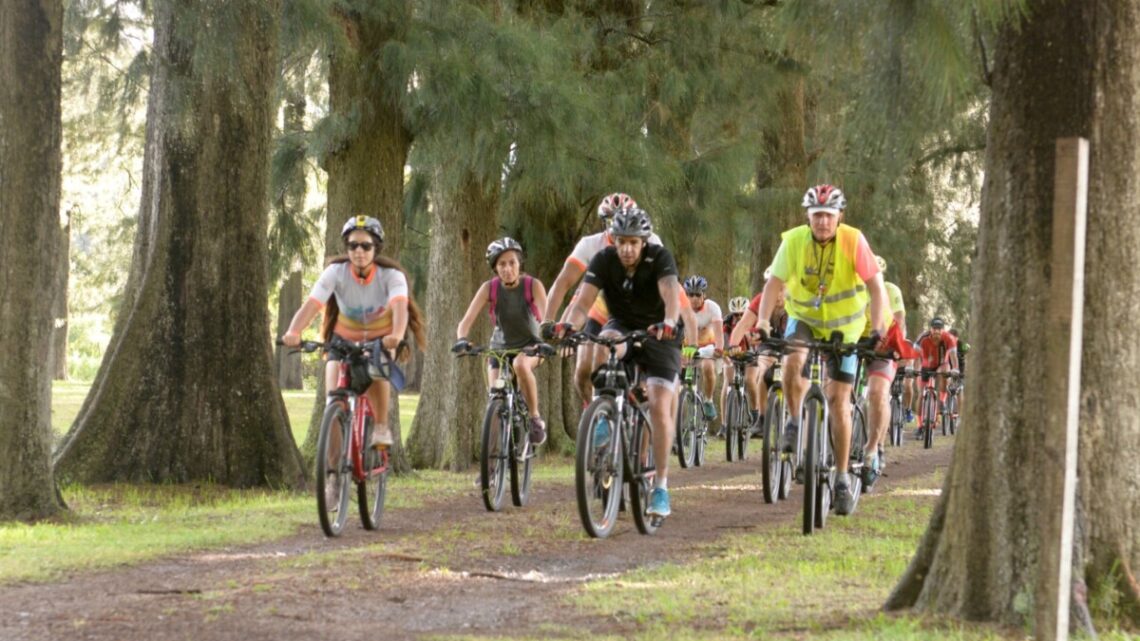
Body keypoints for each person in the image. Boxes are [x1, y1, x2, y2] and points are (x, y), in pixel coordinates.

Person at [750, 184, 890, 516]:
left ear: (839, 216)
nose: (823, 222)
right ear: (808, 217)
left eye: (828, 215)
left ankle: (841, 476)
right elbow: (773, 284)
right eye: (817, 216)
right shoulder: (794, 240)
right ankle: (796, 421)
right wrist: (763, 322)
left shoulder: (854, 240)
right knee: (793, 359)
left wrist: (879, 328)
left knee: (840, 400)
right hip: (805, 319)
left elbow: (876, 286)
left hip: (847, 327)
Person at [551, 208, 696, 519]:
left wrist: (670, 321)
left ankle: (660, 487)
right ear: (613, 240)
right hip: (623, 325)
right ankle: (604, 413)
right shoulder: (603, 260)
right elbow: (583, 302)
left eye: (634, 242)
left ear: (644, 242)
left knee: (658, 404)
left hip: (661, 331)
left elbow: (671, 294)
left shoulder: (660, 258)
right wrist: (568, 326)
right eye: (622, 242)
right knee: (603, 344)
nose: (627, 248)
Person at [282, 216, 427, 503]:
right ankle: (333, 476)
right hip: (343, 341)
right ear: (346, 248)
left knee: (376, 370)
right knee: (333, 399)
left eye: (365, 245)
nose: (359, 251)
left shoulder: (392, 277)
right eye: (352, 245)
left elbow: (400, 311)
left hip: (380, 340)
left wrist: (396, 336)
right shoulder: (336, 273)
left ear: (376, 248)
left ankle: (382, 426)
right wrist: (293, 330)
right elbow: (312, 305)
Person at [541, 193, 664, 405]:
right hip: (600, 308)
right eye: (610, 221)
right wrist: (548, 321)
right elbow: (563, 283)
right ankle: (596, 413)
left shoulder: (651, 241)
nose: (616, 226)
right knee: (582, 370)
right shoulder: (590, 245)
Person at [452, 238, 550, 445]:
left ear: (519, 263)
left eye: (512, 263)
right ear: (495, 268)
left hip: (531, 347)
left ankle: (534, 418)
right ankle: (491, 468)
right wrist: (462, 339)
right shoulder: (490, 288)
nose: (507, 269)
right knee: (494, 399)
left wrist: (546, 338)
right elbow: (465, 321)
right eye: (502, 264)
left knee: (520, 365)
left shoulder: (533, 285)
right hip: (499, 350)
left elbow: (547, 317)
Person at [858, 255, 907, 489]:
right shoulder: (853, 287)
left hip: (884, 344)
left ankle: (876, 446)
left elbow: (899, 320)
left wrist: (894, 347)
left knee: (878, 393)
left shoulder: (889, 290)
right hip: (855, 342)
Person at [726, 268, 788, 434]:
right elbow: (743, 324)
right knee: (764, 374)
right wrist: (733, 345)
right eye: (773, 287)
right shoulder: (760, 300)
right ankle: (761, 418)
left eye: (781, 288)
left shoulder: (795, 301)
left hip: (791, 342)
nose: (778, 294)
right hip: (768, 343)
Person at [682, 275, 724, 421]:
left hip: (707, 348)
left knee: (707, 366)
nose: (694, 298)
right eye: (690, 294)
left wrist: (719, 348)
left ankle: (708, 401)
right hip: (687, 348)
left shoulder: (712, 307)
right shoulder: (681, 307)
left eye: (697, 294)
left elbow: (719, 336)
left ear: (704, 295)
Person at [913, 317, 959, 439]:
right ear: (930, 329)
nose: (937, 331)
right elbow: (915, 356)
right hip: (925, 366)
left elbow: (954, 357)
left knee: (945, 371)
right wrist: (914, 370)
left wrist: (955, 369)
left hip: (941, 365)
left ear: (943, 330)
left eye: (939, 329)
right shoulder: (923, 337)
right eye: (934, 328)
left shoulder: (949, 338)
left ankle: (942, 401)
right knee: (920, 395)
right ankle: (919, 426)